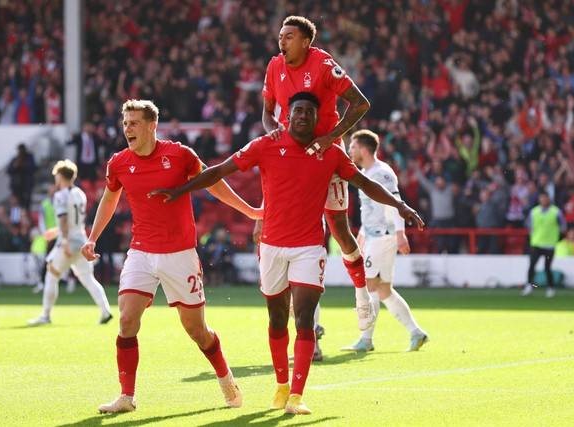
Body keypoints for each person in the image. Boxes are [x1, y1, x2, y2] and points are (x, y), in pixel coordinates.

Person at [149, 93, 424, 415]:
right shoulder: (265, 145)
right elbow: (220, 171)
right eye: (298, 111)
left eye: (309, 111)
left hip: (309, 247)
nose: (303, 116)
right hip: (272, 247)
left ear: (316, 117)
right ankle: (281, 385)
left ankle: (296, 394)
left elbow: (364, 183)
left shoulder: (330, 153)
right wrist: (180, 190)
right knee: (277, 320)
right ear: (287, 117)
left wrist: (401, 206)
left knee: (304, 319)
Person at [82, 99, 261, 414]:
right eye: (125, 123)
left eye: (134, 123)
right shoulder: (119, 163)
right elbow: (109, 199)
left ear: (152, 125)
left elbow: (213, 184)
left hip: (180, 255)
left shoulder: (180, 155)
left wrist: (249, 210)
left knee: (196, 330)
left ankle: (226, 379)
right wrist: (92, 237)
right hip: (141, 252)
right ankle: (126, 396)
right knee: (126, 319)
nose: (127, 129)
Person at [259, 15, 374, 333]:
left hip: (326, 157)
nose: (282, 41)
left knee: (338, 227)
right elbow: (267, 112)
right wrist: (273, 134)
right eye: (280, 36)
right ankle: (311, 326)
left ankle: (361, 293)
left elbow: (360, 103)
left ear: (306, 42)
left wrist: (329, 136)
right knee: (300, 236)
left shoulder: (323, 64)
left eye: (289, 36)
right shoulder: (274, 67)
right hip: (291, 159)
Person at [342, 130, 429, 352]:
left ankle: (366, 339)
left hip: (383, 236)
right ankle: (416, 332)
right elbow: (373, 208)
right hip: (375, 235)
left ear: (363, 149)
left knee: (368, 284)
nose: (349, 151)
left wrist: (401, 234)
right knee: (383, 290)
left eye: (352, 147)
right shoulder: (367, 172)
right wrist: (362, 233)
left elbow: (395, 203)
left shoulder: (381, 173)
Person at [28, 160, 113, 326]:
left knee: (51, 275)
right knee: (88, 278)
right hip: (81, 239)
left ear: (60, 176)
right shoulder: (80, 193)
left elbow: (64, 219)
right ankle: (105, 311)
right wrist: (57, 232)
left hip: (68, 241)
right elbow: (75, 221)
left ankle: (45, 315)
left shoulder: (60, 195)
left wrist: (64, 240)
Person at [522, 191, 566, 298]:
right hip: (536, 243)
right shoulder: (534, 211)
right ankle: (530, 286)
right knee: (532, 266)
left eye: (545, 198)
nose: (543, 200)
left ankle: (550, 288)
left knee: (547, 267)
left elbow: (563, 226)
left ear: (548, 199)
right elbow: (528, 224)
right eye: (541, 198)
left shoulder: (555, 212)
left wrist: (558, 237)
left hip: (549, 245)